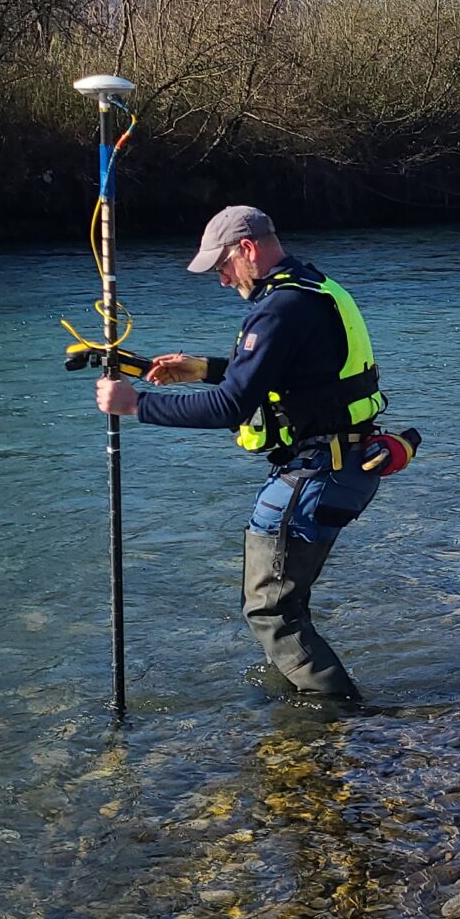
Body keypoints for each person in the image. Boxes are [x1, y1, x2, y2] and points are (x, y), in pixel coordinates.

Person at [95, 205, 388, 699]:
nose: (222, 280)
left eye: (222, 266)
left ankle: (340, 716)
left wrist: (135, 405)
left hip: (316, 474)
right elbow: (295, 377)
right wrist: (201, 368)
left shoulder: (279, 308)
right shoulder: (311, 287)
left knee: (269, 610)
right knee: (287, 603)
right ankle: (306, 700)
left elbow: (232, 405)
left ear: (247, 250)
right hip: (346, 464)